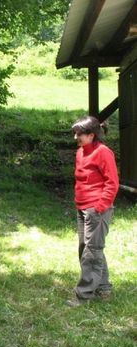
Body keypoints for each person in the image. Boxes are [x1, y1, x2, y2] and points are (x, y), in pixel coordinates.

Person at [67, 116, 119, 307]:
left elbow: (112, 183)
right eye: (75, 133)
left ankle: (84, 295)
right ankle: (103, 287)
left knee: (92, 251)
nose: (76, 137)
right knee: (86, 248)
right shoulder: (81, 152)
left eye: (79, 134)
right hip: (82, 208)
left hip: (97, 209)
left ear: (91, 135)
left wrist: (99, 206)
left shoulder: (103, 152)